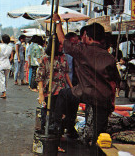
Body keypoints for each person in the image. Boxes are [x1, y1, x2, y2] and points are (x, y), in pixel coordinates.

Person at [49, 13, 120, 151]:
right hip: (103, 98)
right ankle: (93, 147)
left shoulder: (82, 50)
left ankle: (58, 125)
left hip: (85, 93)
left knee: (64, 94)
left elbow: (63, 40)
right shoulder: (110, 57)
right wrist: (111, 102)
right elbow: (113, 84)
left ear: (88, 36)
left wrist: (58, 22)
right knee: (99, 135)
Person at [0, 34, 13, 98]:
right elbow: (11, 57)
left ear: (2, 40)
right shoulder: (10, 47)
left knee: (1, 79)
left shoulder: (0, 47)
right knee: (6, 79)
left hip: (1, 64)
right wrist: (8, 61)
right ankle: (5, 91)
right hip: (7, 64)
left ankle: (3, 93)